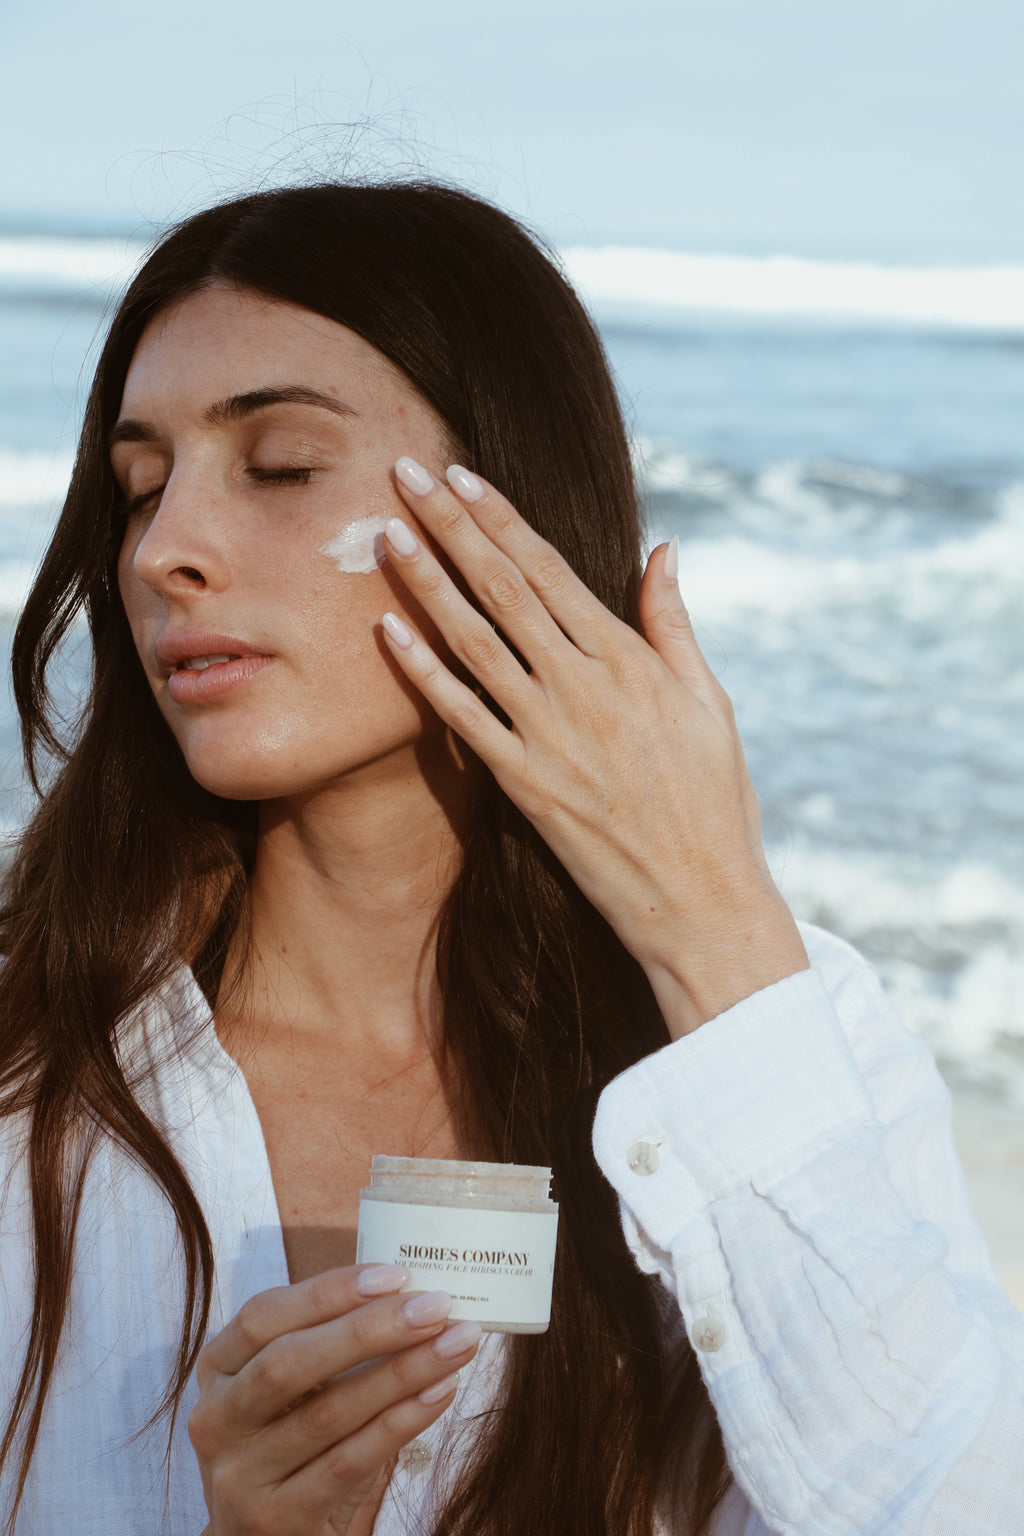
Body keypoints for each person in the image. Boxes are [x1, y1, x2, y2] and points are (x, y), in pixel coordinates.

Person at [0, 180, 1021, 1536]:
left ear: (515, 506)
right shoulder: (35, 1063)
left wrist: (710, 916)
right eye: (139, 488)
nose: (165, 550)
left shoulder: (782, 1034)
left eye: (284, 466)